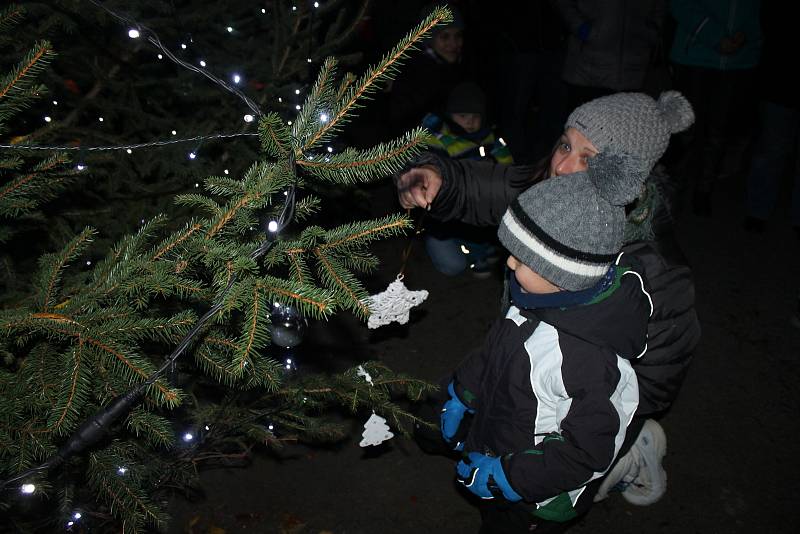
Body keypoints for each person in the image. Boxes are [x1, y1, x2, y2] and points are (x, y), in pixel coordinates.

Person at [399, 92, 700, 530]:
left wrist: (609, 428)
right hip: (520, 361)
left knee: (520, 504)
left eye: (588, 156)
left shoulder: (655, 269)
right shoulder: (553, 188)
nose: (562, 166)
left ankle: (627, 457)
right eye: (564, 145)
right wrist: (438, 178)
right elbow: (492, 186)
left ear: (626, 174)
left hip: (569, 408)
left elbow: (659, 372)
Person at [667, 0, 761, 216]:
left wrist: (746, 35)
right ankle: (671, 191)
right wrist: (715, 36)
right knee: (684, 130)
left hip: (738, 62)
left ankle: (703, 191)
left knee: (719, 131)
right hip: (695, 57)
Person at [421, 81, 512, 277]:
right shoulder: (437, 139)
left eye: (475, 117)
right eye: (462, 116)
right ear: (449, 115)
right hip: (443, 215)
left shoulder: (488, 135)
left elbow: (506, 162)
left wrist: (499, 167)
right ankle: (438, 243)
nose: (469, 122)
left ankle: (477, 249)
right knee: (454, 266)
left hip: (478, 205)